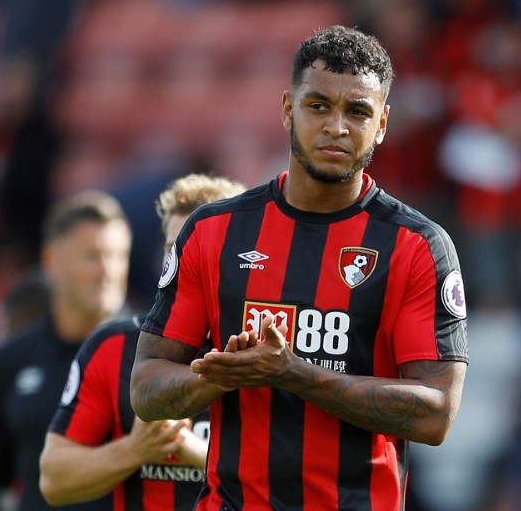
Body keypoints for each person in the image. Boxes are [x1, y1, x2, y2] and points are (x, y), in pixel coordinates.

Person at [130, 25, 469, 510]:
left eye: (357, 111)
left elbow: (437, 414)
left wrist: (293, 373)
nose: (336, 126)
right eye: (318, 106)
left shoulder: (416, 246)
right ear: (289, 109)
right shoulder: (214, 232)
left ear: (384, 123)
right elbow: (145, 388)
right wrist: (220, 376)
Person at [38, 173, 246, 510]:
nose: (182, 261)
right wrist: (136, 449)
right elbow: (54, 479)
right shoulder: (113, 347)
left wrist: (194, 451)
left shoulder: (269, 351)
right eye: (172, 248)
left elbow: (299, 482)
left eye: (199, 245)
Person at [0, 190, 133, 511]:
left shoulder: (152, 355)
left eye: (119, 256)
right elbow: (0, 484)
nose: (108, 271)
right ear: (51, 261)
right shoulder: (8, 361)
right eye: (93, 256)